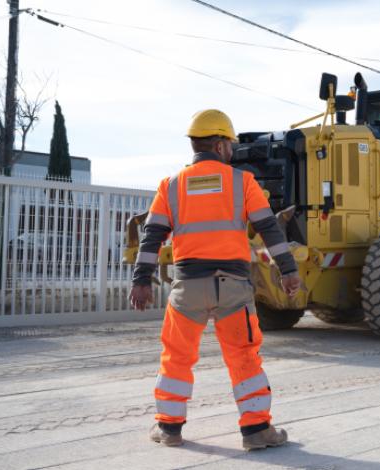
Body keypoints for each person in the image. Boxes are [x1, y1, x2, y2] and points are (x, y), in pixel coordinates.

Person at [129, 109, 302, 450]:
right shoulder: (243, 183)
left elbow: (151, 238)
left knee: (177, 356)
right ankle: (257, 432)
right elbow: (269, 228)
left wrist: (141, 280)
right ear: (222, 146)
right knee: (244, 357)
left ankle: (169, 428)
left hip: (188, 287)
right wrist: (289, 270)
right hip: (233, 288)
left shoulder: (171, 185)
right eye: (231, 145)